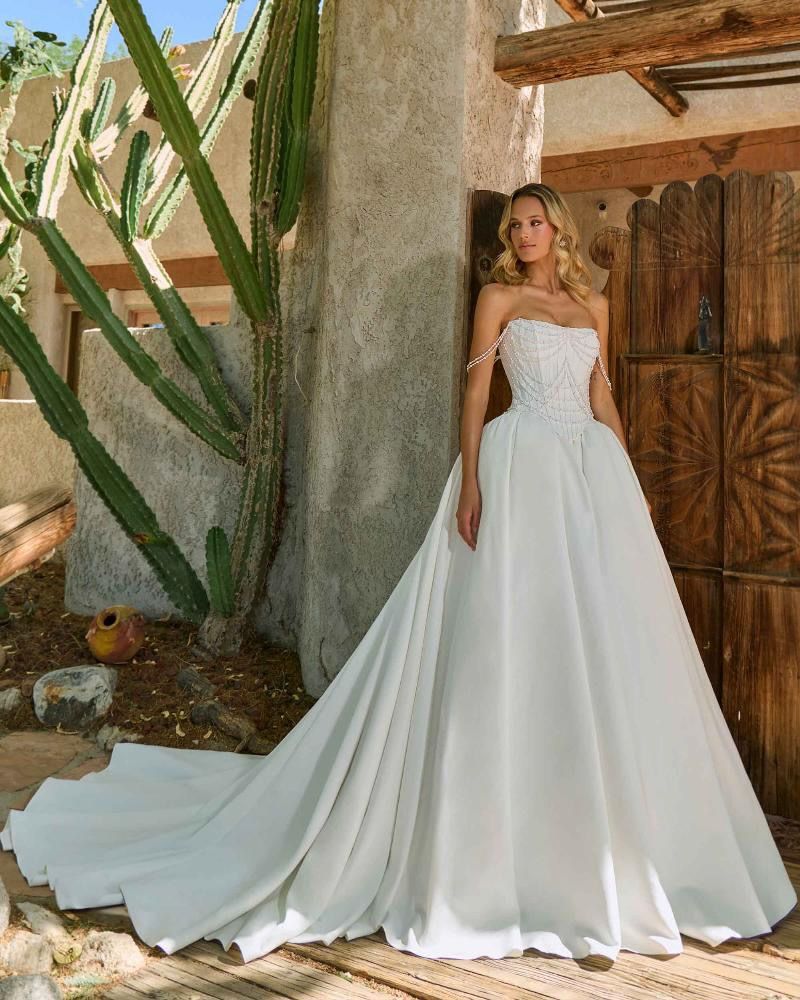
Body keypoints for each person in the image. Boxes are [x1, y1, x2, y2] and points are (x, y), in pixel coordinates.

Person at [3, 182, 796, 965]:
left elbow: (601, 398)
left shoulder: (596, 310)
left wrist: (628, 487)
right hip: (519, 469)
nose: (523, 234)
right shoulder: (498, 299)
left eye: (535, 222)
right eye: (515, 224)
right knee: (508, 633)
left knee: (596, 638)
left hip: (588, 478)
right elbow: (478, 391)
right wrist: (474, 482)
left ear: (559, 231)